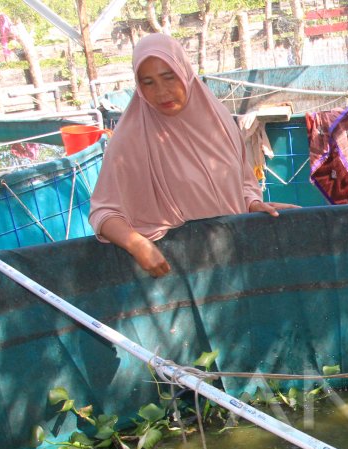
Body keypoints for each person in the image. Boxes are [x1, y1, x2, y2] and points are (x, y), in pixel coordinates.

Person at [89, 33, 295, 278]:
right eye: (148, 82)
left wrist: (251, 204)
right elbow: (103, 213)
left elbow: (241, 181)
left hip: (236, 260)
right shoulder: (131, 138)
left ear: (185, 72)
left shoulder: (217, 120)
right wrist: (137, 244)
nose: (162, 92)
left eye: (169, 77)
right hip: (179, 274)